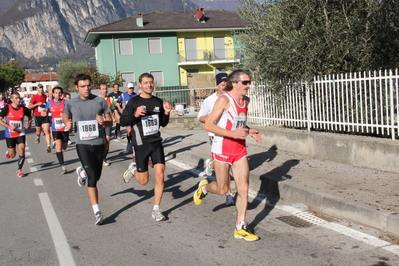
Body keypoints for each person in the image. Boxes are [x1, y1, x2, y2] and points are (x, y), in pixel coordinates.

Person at [194, 69, 262, 241]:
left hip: (239, 150)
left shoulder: (245, 100)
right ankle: (204, 187)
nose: (248, 85)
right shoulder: (224, 100)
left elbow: (238, 122)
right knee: (224, 189)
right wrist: (232, 134)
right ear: (235, 83)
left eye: (249, 82)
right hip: (222, 149)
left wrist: (248, 130)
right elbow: (208, 125)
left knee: (243, 188)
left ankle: (240, 227)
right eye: (245, 82)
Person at [120, 73, 172, 222]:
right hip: (141, 144)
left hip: (156, 142)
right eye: (146, 83)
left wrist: (167, 113)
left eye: (151, 82)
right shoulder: (133, 102)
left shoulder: (158, 101)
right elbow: (123, 121)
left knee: (160, 174)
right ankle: (134, 169)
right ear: (140, 85)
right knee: (143, 181)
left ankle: (156, 209)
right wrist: (135, 115)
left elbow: (162, 123)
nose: (149, 85)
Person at [63, 74, 113, 225]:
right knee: (93, 178)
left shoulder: (100, 101)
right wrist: (68, 124)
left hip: (98, 142)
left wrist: (104, 122)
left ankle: (82, 172)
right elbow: (65, 116)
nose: (86, 88)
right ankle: (97, 212)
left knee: (96, 176)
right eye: (83, 86)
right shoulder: (71, 103)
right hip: (82, 144)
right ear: (76, 88)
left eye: (88, 85)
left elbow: (110, 122)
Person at [197, 72, 234, 206]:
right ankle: (229, 194)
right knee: (226, 166)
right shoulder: (209, 100)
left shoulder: (232, 97)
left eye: (226, 82)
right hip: (216, 137)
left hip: (231, 136)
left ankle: (211, 164)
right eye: (221, 82)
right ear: (217, 84)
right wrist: (207, 119)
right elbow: (200, 116)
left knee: (227, 165)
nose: (224, 85)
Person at [0, 92, 32, 177]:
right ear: (12, 99)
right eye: (16, 98)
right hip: (10, 134)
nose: (18, 100)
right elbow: (0, 120)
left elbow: (30, 116)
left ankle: (19, 170)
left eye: (19, 98)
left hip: (20, 133)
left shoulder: (23, 108)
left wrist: (29, 124)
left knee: (22, 149)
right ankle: (9, 152)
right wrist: (9, 126)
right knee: (12, 155)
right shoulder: (7, 108)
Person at [45, 86, 69, 174]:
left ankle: (61, 159)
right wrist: (45, 112)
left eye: (59, 93)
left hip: (64, 127)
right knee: (58, 146)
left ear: (61, 94)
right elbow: (46, 110)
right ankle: (62, 165)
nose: (58, 94)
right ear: (53, 94)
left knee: (64, 147)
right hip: (55, 128)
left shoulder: (65, 102)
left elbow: (70, 111)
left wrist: (69, 120)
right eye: (56, 93)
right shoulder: (50, 102)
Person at [28, 83, 52, 152]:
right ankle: (38, 136)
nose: (41, 89)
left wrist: (46, 110)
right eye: (40, 88)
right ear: (37, 89)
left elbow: (48, 105)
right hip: (37, 116)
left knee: (47, 131)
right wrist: (37, 104)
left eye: (42, 88)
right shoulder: (35, 97)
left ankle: (48, 146)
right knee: (38, 131)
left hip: (45, 115)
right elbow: (29, 106)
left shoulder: (45, 97)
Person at [116, 82, 137, 153]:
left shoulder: (135, 95)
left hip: (134, 115)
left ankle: (134, 145)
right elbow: (117, 102)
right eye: (130, 88)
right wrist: (119, 109)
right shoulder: (123, 95)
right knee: (129, 131)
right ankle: (129, 143)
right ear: (127, 88)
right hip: (127, 115)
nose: (131, 89)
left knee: (134, 131)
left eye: (132, 88)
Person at [98, 83, 115, 166]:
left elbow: (112, 110)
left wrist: (114, 117)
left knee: (107, 141)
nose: (105, 90)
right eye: (103, 89)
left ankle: (103, 159)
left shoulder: (110, 99)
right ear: (100, 90)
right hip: (99, 124)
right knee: (101, 142)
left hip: (107, 123)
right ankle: (99, 157)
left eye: (106, 89)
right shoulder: (96, 99)